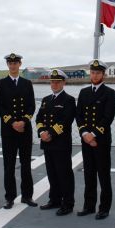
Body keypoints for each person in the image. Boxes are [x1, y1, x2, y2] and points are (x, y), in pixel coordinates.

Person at [0, 53, 37, 209]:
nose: (12, 66)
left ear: (20, 64)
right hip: (8, 131)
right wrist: (12, 122)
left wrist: (23, 121)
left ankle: (27, 196)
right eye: (10, 63)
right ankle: (9, 197)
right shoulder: (1, 83)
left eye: (15, 63)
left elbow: (31, 105)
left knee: (26, 164)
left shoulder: (27, 83)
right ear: (7, 65)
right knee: (9, 165)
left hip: (25, 129)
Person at [76, 59, 115, 220]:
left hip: (101, 140)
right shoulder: (84, 92)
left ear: (103, 74)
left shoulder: (109, 93)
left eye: (98, 72)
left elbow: (108, 117)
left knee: (103, 175)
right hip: (86, 140)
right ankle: (89, 205)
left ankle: (104, 208)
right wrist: (85, 134)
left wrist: (93, 135)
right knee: (89, 174)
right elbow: (78, 115)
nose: (95, 75)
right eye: (92, 72)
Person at [36, 69, 76, 216]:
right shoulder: (46, 100)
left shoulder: (69, 100)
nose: (54, 84)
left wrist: (50, 133)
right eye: (52, 81)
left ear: (63, 83)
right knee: (51, 173)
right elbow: (39, 119)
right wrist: (41, 133)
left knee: (64, 173)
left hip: (61, 143)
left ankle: (68, 203)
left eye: (58, 82)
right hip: (47, 143)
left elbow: (66, 121)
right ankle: (54, 200)